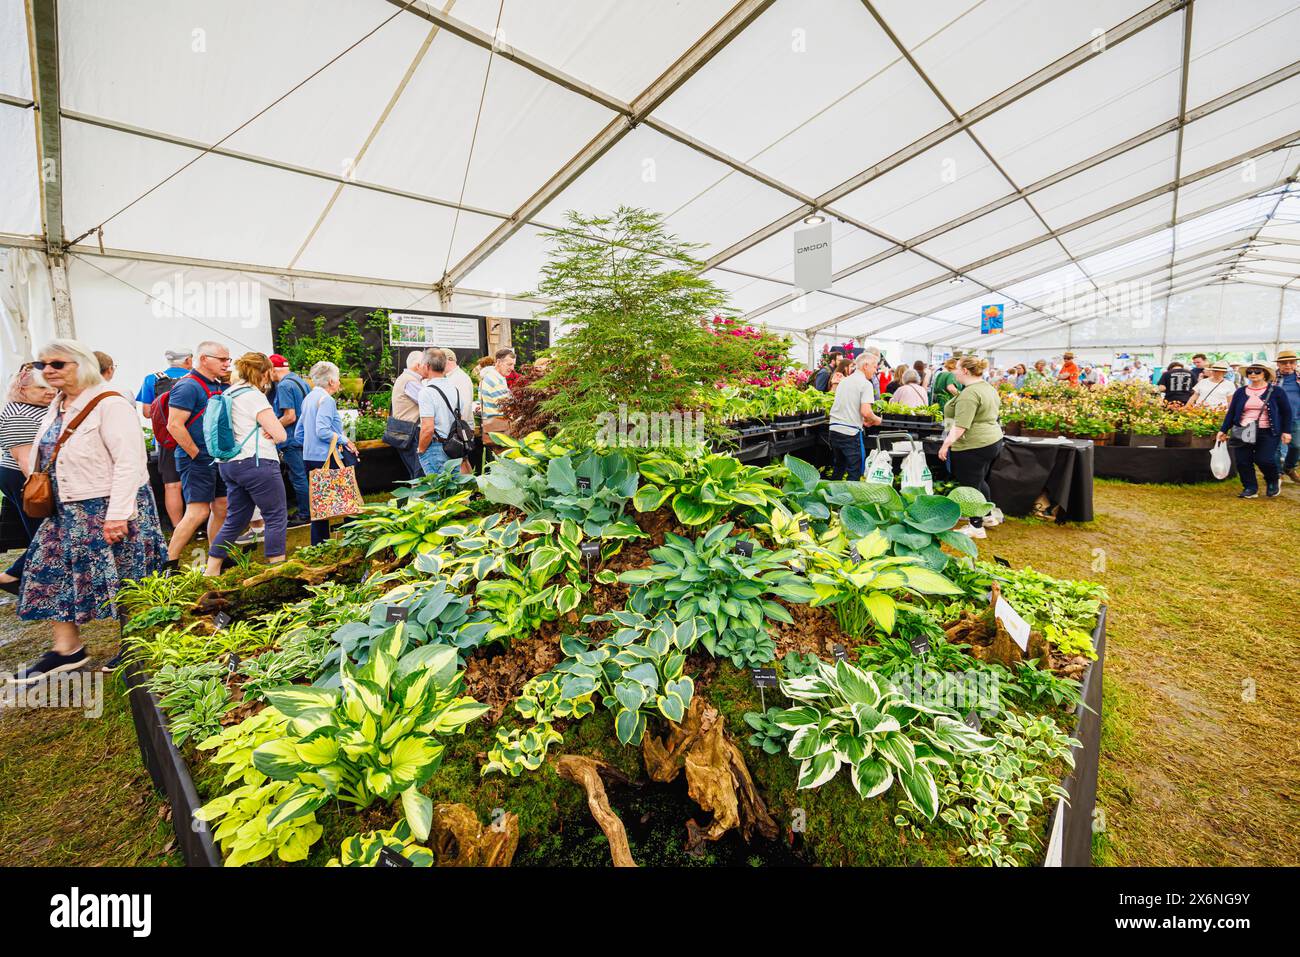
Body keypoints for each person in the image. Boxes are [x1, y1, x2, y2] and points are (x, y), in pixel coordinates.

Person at [10, 339, 165, 682]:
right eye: (42, 365)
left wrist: (117, 514)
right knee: (49, 573)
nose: (47, 370)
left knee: (129, 579)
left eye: (57, 364)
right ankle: (67, 649)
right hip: (67, 509)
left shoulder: (109, 402)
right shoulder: (59, 404)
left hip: (110, 505)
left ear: (82, 364)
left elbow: (130, 461)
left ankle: (139, 645)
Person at [204, 353, 289, 576]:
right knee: (275, 515)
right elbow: (281, 435)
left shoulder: (228, 392)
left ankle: (211, 570)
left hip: (229, 464)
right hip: (257, 462)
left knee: (235, 519)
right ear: (263, 373)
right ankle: (276, 569)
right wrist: (271, 431)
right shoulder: (254, 396)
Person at [164, 341, 230, 570]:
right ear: (204, 359)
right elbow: (174, 425)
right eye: (222, 359)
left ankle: (215, 557)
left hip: (217, 458)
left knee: (222, 506)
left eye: (228, 359)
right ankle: (169, 563)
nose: (226, 363)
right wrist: (196, 453)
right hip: (197, 459)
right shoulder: (188, 386)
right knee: (198, 511)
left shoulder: (216, 385)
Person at [0, 365, 56, 595]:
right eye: (42, 387)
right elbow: (25, 460)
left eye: (51, 385)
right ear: (22, 389)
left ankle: (20, 577)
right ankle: (12, 576)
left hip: (34, 476)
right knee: (46, 532)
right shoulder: (18, 414)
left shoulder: (36, 408)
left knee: (45, 532)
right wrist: (42, 491)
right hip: (24, 478)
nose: (50, 391)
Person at [937, 356, 1004, 539]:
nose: (954, 372)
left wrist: (946, 444)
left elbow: (961, 426)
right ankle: (988, 516)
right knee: (979, 480)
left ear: (965, 371)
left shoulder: (969, 393)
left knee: (971, 486)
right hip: (992, 440)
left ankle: (976, 526)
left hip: (973, 444)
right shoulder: (987, 388)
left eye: (957, 368)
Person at [296, 361, 358, 546]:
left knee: (320, 506)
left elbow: (299, 433)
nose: (339, 382)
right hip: (328, 458)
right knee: (347, 503)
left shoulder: (309, 398)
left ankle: (319, 547)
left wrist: (311, 446)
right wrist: (345, 440)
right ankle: (352, 543)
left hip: (310, 457)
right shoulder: (327, 400)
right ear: (331, 381)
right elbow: (322, 431)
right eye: (338, 378)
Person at [1216, 362, 1293, 499]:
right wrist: (1223, 430)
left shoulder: (1277, 391)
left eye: (1257, 371)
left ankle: (1272, 481)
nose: (1253, 374)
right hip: (1243, 430)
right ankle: (1250, 488)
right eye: (1250, 372)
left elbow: (1286, 413)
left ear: (1265, 374)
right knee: (1242, 460)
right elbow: (1232, 412)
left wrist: (1286, 431)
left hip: (1268, 431)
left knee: (1264, 459)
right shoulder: (1240, 391)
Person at [267, 354, 311, 522]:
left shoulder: (284, 385)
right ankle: (310, 510)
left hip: (292, 439)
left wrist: (271, 428)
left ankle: (305, 514)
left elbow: (289, 416)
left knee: (298, 477)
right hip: (304, 437)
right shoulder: (301, 381)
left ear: (272, 370)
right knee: (305, 476)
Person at [827, 352, 882, 480]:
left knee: (839, 467)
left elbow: (848, 406)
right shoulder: (865, 384)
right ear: (865, 366)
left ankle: (832, 497)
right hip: (850, 433)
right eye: (875, 367)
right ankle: (851, 499)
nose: (875, 370)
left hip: (834, 430)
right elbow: (866, 411)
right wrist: (877, 420)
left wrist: (863, 420)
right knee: (855, 470)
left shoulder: (844, 381)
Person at [416, 349, 463, 477]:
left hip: (436, 448)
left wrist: (420, 450)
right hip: (454, 447)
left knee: (438, 493)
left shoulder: (426, 392)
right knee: (454, 493)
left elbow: (427, 429)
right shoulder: (455, 389)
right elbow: (460, 420)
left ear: (427, 366)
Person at [387, 350, 431, 480]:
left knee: (416, 473)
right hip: (410, 434)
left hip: (405, 432)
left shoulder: (406, 379)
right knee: (419, 474)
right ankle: (418, 499)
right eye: (425, 364)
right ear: (418, 366)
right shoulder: (410, 381)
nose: (427, 367)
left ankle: (415, 499)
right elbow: (427, 401)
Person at [478, 348, 515, 462]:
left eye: (513, 365)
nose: (512, 368)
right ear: (498, 362)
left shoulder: (495, 377)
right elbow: (506, 408)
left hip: (494, 429)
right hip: (499, 431)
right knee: (501, 465)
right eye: (509, 364)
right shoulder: (494, 379)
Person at [442, 348, 475, 473]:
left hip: (461, 428)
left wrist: (460, 430)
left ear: (448, 360)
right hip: (460, 427)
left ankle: (468, 489)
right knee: (462, 460)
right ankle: (470, 488)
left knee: (461, 460)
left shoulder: (459, 378)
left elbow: (465, 406)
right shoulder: (454, 377)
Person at [135, 347, 193, 417]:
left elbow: (147, 413)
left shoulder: (150, 379)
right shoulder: (197, 378)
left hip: (162, 426)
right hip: (190, 426)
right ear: (188, 360)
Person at [1272, 349, 1299, 483]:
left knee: (1296, 446)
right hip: (1275, 417)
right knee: (1275, 446)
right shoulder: (1271, 377)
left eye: (1291, 362)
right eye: (1284, 363)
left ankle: (1289, 467)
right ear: (1278, 364)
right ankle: (1278, 473)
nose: (1288, 365)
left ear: (1295, 364)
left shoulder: (1299, 377)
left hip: (1296, 417)